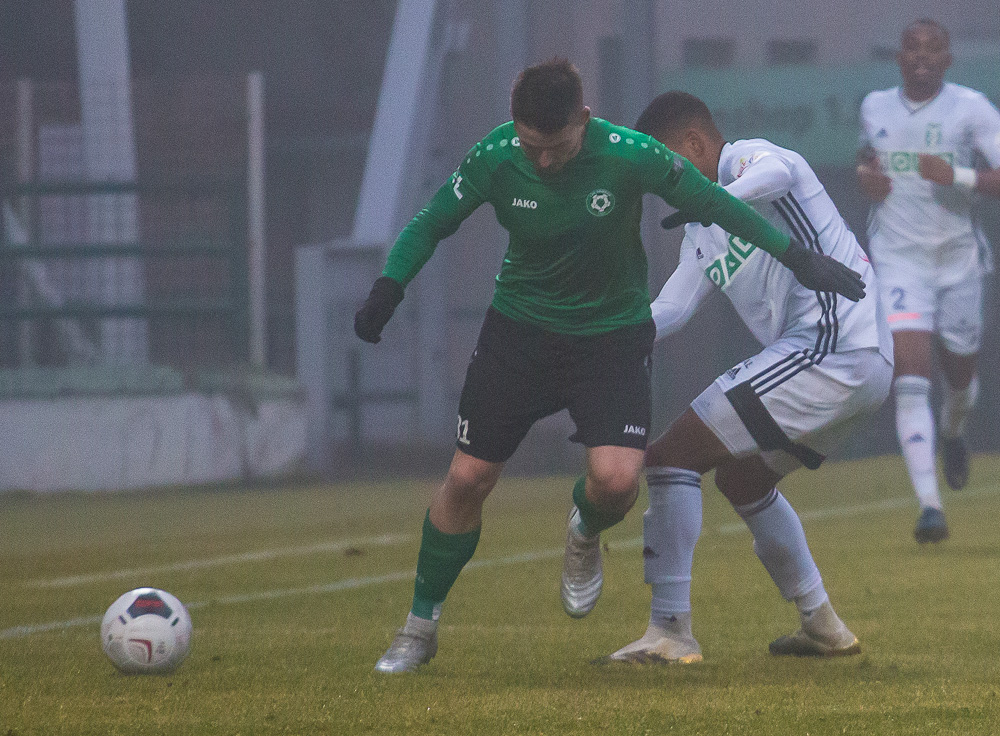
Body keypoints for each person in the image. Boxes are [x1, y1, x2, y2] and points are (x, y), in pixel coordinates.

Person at [354, 59, 865, 674]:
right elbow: (431, 222)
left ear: (585, 119)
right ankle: (418, 628)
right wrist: (390, 285)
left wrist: (797, 257)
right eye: (532, 146)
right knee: (467, 479)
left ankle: (584, 529)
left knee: (618, 482)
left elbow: (712, 202)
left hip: (609, 339)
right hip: (520, 332)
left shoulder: (631, 154)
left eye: (558, 145)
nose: (545, 160)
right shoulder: (494, 156)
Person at [597, 91, 893, 664]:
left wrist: (713, 200)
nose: (661, 183)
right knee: (743, 480)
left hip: (834, 345)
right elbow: (674, 309)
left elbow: (780, 174)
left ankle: (670, 631)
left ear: (694, 144)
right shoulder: (701, 231)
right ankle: (823, 626)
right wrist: (604, 338)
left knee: (670, 457)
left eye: (665, 164)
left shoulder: (748, 159)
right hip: (850, 362)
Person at [857, 19, 1000, 543]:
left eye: (932, 48)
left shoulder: (971, 108)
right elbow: (867, 160)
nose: (921, 56)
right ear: (899, 58)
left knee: (959, 378)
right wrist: (867, 178)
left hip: (958, 260)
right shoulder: (875, 106)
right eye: (912, 48)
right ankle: (930, 508)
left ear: (948, 58)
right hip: (898, 259)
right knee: (910, 379)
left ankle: (954, 431)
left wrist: (957, 175)